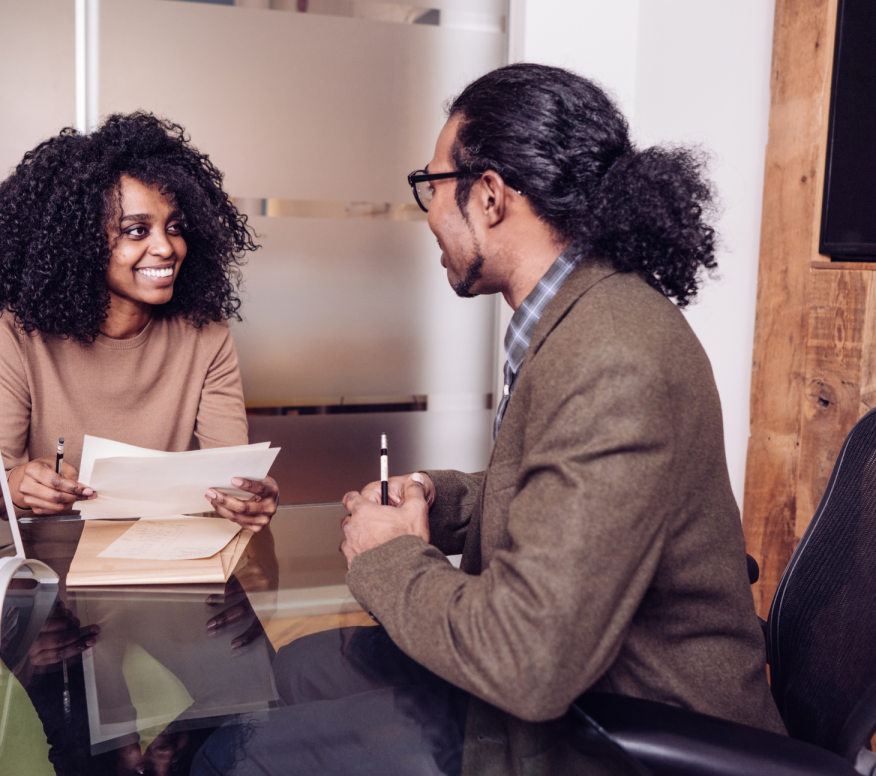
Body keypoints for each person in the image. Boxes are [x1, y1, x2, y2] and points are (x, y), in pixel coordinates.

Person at [194, 63, 785, 775]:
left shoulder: (614, 357)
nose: (428, 214)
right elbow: (560, 502)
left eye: (433, 187)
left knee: (236, 757)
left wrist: (390, 555)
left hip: (620, 729)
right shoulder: (579, 316)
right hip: (581, 688)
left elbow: (527, 664)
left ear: (492, 196)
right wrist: (436, 502)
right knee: (296, 670)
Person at [0, 112, 279, 531]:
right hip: (51, 569)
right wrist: (19, 486)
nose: (166, 248)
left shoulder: (206, 331)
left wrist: (251, 496)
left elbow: (232, 475)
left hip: (165, 562)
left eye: (175, 227)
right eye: (136, 231)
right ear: (80, 242)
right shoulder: (20, 334)